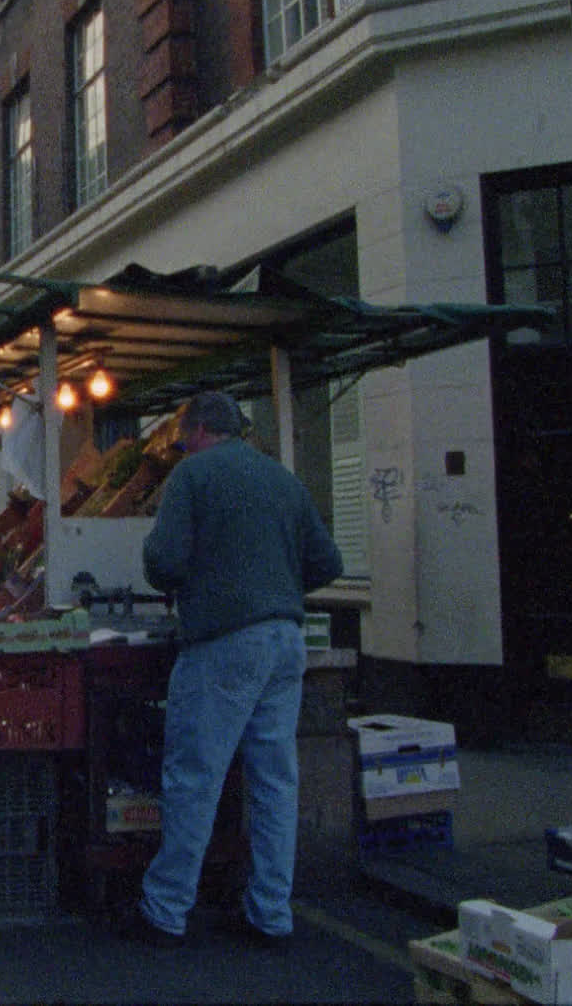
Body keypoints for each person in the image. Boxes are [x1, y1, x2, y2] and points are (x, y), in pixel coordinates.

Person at [120, 390, 343, 950]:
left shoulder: (193, 477)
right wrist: (278, 590)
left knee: (195, 776)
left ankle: (165, 909)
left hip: (223, 645)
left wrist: (200, 584)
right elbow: (328, 562)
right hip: (286, 641)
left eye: (182, 439)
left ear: (196, 431)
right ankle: (270, 912)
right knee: (274, 780)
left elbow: (163, 561)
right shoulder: (285, 480)